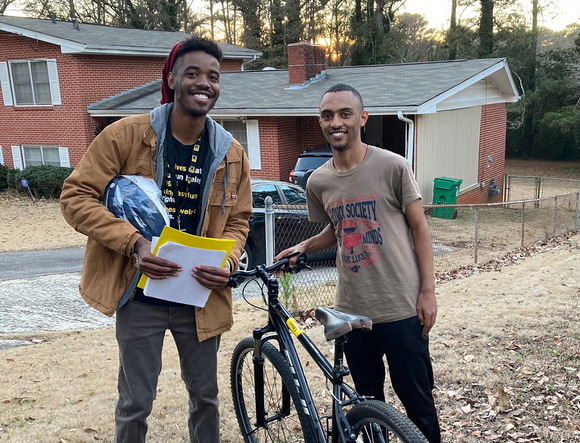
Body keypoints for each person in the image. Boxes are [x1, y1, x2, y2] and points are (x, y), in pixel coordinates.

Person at [60, 36, 252, 443]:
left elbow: (239, 222)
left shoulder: (231, 153)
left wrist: (229, 262)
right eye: (194, 73)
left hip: (199, 297)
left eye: (213, 77)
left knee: (206, 398)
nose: (204, 83)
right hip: (139, 296)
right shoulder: (125, 136)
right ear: (172, 77)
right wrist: (134, 243)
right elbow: (75, 197)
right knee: (135, 403)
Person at [276, 84, 441, 442]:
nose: (336, 122)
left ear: (362, 118)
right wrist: (304, 246)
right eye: (327, 115)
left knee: (418, 404)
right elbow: (335, 231)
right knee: (367, 405)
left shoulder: (392, 166)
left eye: (345, 114)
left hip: (400, 307)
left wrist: (428, 291)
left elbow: (419, 229)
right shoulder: (318, 180)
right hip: (352, 315)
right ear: (320, 121)